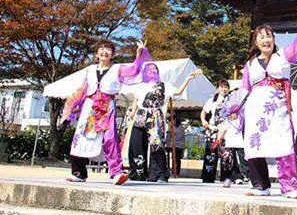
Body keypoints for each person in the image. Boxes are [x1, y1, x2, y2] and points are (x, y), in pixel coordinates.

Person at [239, 2, 297, 198]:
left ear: (274, 39)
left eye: (269, 36)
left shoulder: (284, 55)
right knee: (254, 145)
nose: (266, 40)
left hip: (278, 108)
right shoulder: (250, 64)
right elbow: (244, 88)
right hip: (255, 109)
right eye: (262, 37)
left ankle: (290, 187)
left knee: (284, 143)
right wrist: (236, 109)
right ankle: (261, 185)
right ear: (256, 42)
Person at [62, 39, 136, 185]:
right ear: (96, 54)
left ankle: (117, 173)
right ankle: (78, 173)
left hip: (106, 107)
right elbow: (83, 89)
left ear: (112, 54)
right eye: (101, 49)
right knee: (80, 138)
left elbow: (134, 71)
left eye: (108, 49)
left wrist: (139, 54)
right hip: (89, 107)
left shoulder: (117, 69)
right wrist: (77, 104)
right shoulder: (90, 70)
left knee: (109, 138)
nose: (104, 52)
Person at [125, 55, 201, 182]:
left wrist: (188, 78)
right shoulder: (141, 86)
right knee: (136, 144)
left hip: (155, 116)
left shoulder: (164, 85)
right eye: (149, 69)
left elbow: (178, 92)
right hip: (140, 115)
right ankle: (137, 173)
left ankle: (158, 174)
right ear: (145, 73)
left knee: (156, 145)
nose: (152, 71)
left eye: (154, 69)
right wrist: (132, 112)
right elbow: (136, 100)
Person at [210, 87, 251, 188]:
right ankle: (235, 177)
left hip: (240, 140)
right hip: (230, 140)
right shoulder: (226, 116)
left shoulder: (243, 116)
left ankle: (249, 177)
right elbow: (223, 128)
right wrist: (219, 139)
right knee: (230, 161)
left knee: (243, 159)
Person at [200, 79, 230, 182]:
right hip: (213, 129)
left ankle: (226, 178)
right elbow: (203, 112)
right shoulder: (212, 100)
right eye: (221, 87)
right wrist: (204, 122)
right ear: (217, 89)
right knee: (211, 153)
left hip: (226, 130)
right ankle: (208, 177)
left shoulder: (231, 100)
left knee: (226, 154)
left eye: (226, 87)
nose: (224, 89)